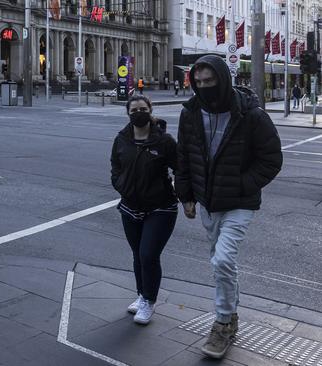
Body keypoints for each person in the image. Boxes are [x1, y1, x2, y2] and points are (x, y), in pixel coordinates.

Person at [175, 55, 282, 359]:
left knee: (222, 260)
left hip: (239, 203)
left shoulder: (251, 115)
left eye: (210, 81)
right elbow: (184, 156)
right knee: (223, 264)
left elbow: (272, 159)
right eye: (199, 82)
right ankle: (231, 317)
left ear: (223, 79)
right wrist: (186, 196)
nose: (204, 87)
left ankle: (222, 322)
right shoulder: (191, 113)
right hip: (208, 201)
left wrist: (242, 185)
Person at [110, 95, 176, 325]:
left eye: (142, 109)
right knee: (138, 255)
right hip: (130, 206)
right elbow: (115, 166)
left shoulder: (164, 141)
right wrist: (120, 185)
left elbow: (180, 168)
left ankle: (149, 300)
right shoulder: (121, 139)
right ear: (128, 113)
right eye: (134, 109)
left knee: (148, 254)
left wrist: (185, 197)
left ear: (150, 110)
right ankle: (141, 294)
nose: (138, 113)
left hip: (161, 207)